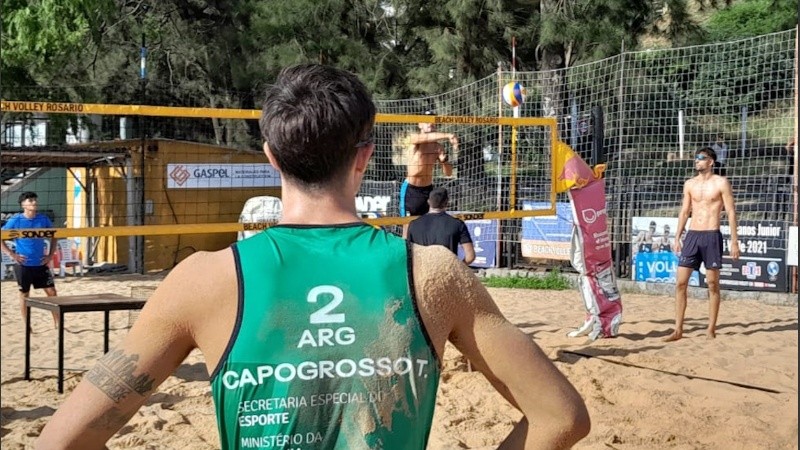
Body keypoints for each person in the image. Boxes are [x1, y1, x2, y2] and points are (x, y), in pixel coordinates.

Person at [37, 64, 589, 449]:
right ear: (366, 157)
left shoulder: (204, 280)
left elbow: (62, 441)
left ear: (271, 156)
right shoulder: (431, 272)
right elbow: (560, 417)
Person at [664, 147, 740, 342]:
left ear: (711, 162)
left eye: (701, 158)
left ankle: (710, 328)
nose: (697, 161)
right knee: (680, 283)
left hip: (712, 235)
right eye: (696, 158)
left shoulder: (721, 182)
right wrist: (677, 236)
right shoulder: (690, 184)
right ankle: (678, 329)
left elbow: (731, 211)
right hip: (693, 235)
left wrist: (734, 241)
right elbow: (684, 211)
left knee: (713, 284)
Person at [0, 191, 59, 325]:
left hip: (40, 264)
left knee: (52, 292)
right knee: (25, 295)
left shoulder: (43, 219)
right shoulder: (16, 220)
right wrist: (12, 254)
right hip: (24, 264)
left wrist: (50, 255)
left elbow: (55, 236)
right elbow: (1, 237)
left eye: (34, 200)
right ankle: (27, 325)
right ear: (23, 204)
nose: (34, 202)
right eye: (30, 200)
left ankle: (57, 323)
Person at [400, 110, 457, 236]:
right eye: (427, 121)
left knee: (428, 227)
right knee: (407, 228)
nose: (430, 124)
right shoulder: (414, 139)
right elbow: (425, 138)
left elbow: (448, 173)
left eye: (433, 121)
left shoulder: (438, 147)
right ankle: (406, 255)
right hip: (411, 190)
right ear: (419, 124)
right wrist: (448, 135)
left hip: (428, 190)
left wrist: (444, 161)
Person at [407, 187, 476, 265]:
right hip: (447, 272)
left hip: (422, 273)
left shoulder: (413, 224)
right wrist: (457, 268)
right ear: (447, 203)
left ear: (428, 202)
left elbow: (407, 255)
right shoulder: (458, 224)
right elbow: (470, 256)